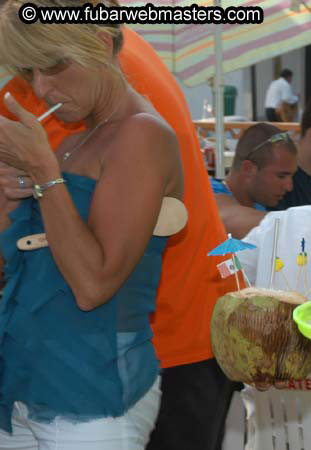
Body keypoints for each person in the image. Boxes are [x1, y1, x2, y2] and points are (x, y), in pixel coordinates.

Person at [0, 23, 242, 450]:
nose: (39, 87)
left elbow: (92, 283)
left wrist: (43, 174)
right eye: (26, 70)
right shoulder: (74, 100)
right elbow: (27, 256)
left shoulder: (125, 121)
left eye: (50, 67)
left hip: (147, 351)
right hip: (53, 373)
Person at [215, 123, 297, 238]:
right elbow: (227, 220)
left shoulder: (258, 205)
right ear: (248, 169)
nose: (289, 187)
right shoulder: (210, 193)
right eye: (281, 176)